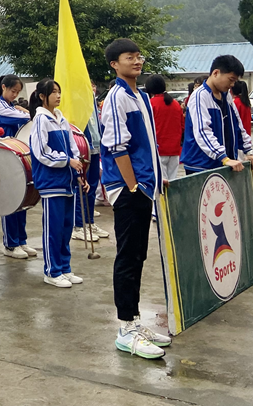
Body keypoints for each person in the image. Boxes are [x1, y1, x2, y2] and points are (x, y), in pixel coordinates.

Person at [99, 39, 171, 360]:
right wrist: (132, 186)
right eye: (130, 57)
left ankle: (136, 321)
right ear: (115, 64)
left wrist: (156, 176)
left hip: (144, 186)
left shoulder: (139, 96)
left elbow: (148, 144)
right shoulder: (116, 98)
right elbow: (117, 147)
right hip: (129, 190)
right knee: (128, 257)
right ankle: (126, 328)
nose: (137, 61)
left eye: (139, 56)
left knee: (138, 255)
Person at [28, 79, 86, 288]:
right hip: (51, 182)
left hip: (66, 181)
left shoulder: (61, 119)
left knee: (66, 227)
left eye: (59, 92)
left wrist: (76, 171)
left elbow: (73, 147)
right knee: (53, 229)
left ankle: (64, 268)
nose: (58, 96)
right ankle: (52, 271)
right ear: (42, 96)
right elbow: (41, 152)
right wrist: (67, 161)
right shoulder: (40, 120)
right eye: (54, 92)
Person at [181, 55, 253, 175]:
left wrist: (249, 151)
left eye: (235, 81)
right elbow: (203, 132)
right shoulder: (199, 96)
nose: (232, 84)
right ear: (216, 73)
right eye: (231, 79)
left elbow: (238, 126)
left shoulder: (226, 96)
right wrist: (223, 157)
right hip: (201, 166)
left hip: (224, 163)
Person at [0, 74, 38, 259]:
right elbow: (26, 117)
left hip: (18, 155)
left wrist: (22, 110)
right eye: (13, 91)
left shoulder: (10, 105)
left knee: (22, 200)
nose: (15, 95)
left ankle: (21, 240)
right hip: (6, 156)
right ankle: (10, 244)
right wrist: (25, 111)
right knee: (11, 201)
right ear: (3, 87)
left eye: (18, 92)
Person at [73, 81, 110, 241]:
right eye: (88, 86)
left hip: (95, 147)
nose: (92, 89)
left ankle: (89, 222)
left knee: (92, 186)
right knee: (82, 187)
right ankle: (78, 225)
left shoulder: (93, 102)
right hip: (83, 148)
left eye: (93, 86)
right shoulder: (77, 103)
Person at [146, 75, 183, 182]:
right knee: (172, 181)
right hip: (174, 149)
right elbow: (182, 125)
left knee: (161, 183)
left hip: (158, 149)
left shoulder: (151, 104)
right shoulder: (175, 104)